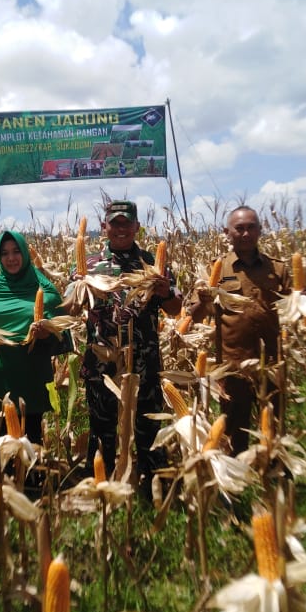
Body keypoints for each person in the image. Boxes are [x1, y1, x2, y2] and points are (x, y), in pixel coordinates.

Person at [80, 200, 183, 489]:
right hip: (102, 364)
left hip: (144, 362)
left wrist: (165, 292)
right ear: (105, 227)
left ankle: (154, 486)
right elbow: (72, 308)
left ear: (137, 226)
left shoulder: (154, 264)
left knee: (148, 426)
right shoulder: (89, 265)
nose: (121, 229)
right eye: (115, 223)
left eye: (127, 223)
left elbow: (175, 309)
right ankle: (101, 486)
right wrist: (78, 288)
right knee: (102, 428)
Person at [188, 205, 290, 453]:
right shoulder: (217, 269)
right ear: (227, 233)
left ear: (260, 230)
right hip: (232, 366)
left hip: (271, 364)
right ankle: (237, 471)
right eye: (239, 228)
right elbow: (194, 316)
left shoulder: (277, 269)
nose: (246, 234)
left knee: (274, 428)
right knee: (234, 430)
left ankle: (273, 468)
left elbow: (297, 308)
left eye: (251, 227)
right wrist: (203, 300)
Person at [0, 231, 70, 443]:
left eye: (16, 251)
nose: (11, 258)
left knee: (32, 445)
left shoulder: (45, 291)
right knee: (1, 444)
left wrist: (46, 334)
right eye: (5, 253)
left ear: (25, 254)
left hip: (32, 381)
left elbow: (63, 335)